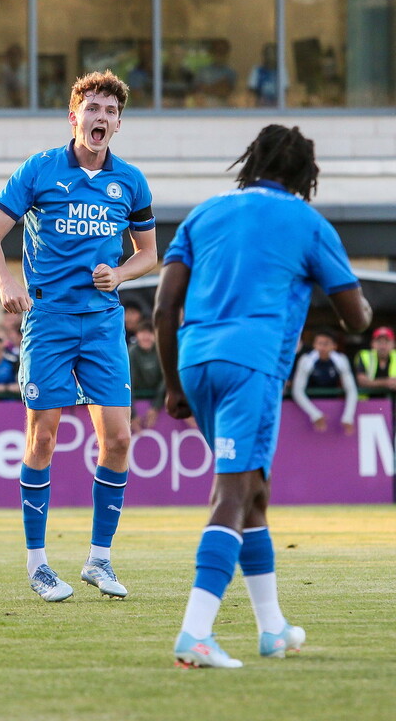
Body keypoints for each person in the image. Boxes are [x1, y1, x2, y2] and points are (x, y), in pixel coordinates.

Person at [153, 123, 371, 668]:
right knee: (230, 494)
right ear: (304, 175)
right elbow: (356, 317)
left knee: (254, 493)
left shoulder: (205, 213)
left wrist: (174, 386)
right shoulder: (307, 222)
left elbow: (162, 309)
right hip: (251, 365)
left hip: (195, 359)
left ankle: (273, 628)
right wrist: (353, 306)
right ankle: (195, 634)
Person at [0, 70, 157, 603]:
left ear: (118, 122)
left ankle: (99, 561)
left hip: (103, 322)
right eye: (92, 108)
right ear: (73, 116)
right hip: (49, 321)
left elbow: (149, 252)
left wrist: (120, 274)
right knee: (44, 438)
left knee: (119, 440)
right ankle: (38, 565)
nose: (100, 118)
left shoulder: (131, 181)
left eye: (110, 111)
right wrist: (8, 281)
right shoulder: (40, 169)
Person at [290, 329, 357, 435]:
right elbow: (297, 391)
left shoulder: (341, 360)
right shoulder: (306, 360)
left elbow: (351, 390)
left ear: (334, 346)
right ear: (314, 345)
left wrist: (348, 416)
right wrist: (315, 414)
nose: (322, 348)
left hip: (333, 406)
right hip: (310, 405)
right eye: (319, 343)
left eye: (326, 344)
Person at [128, 320, 165, 433]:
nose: (146, 337)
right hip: (136, 396)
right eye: (143, 333)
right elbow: (128, 382)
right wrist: (132, 414)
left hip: (157, 397)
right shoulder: (132, 352)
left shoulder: (161, 351)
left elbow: (166, 380)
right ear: (137, 335)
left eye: (150, 333)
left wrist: (156, 406)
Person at [193, 39, 237, 107]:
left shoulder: (231, 72)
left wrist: (207, 88)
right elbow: (197, 90)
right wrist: (218, 85)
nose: (220, 54)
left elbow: (225, 91)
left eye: (223, 51)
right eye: (218, 51)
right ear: (212, 52)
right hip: (203, 108)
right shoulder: (203, 71)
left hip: (223, 108)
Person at [353, 326, 396, 392]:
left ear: (393, 344)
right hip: (369, 400)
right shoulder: (364, 356)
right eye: (379, 341)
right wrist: (385, 382)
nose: (383, 346)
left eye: (387, 341)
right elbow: (361, 381)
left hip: (392, 400)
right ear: (372, 344)